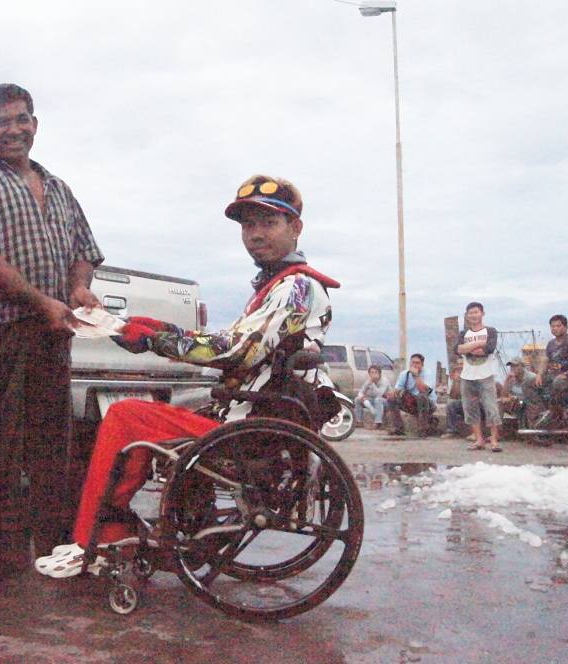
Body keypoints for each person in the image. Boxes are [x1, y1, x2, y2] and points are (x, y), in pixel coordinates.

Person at [33, 174, 339, 578]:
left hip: (254, 428)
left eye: (269, 223)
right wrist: (148, 328)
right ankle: (148, 526)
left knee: (128, 416)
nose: (256, 234)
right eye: (248, 225)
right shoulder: (278, 287)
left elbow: (236, 349)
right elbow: (238, 344)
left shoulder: (295, 287)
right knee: (154, 416)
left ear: (295, 227)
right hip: (257, 418)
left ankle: (98, 536)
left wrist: (155, 338)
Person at [0, 84, 105, 600]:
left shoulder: (58, 186)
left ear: (36, 124)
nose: (14, 129)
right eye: (1, 121)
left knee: (52, 452)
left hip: (52, 336)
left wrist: (78, 289)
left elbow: (84, 249)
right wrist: (40, 301)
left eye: (22, 119)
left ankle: (54, 554)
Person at [455, 302, 503, 452]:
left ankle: (494, 440)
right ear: (466, 316)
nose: (473, 315)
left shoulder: (491, 331)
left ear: (482, 313)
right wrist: (478, 344)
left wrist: (469, 348)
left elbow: (488, 349)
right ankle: (479, 439)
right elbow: (458, 349)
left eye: (476, 312)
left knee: (491, 407)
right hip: (467, 375)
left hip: (486, 374)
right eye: (470, 313)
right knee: (470, 408)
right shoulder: (463, 334)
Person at [526, 314, 568, 427]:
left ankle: (557, 411)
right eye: (553, 326)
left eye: (558, 326)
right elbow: (545, 360)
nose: (555, 328)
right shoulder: (551, 344)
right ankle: (542, 411)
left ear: (565, 327)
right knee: (529, 383)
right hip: (553, 376)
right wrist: (539, 375)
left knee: (558, 382)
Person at [386, 353, 438, 437]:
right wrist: (391, 394)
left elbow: (423, 391)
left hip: (428, 404)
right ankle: (398, 428)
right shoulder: (404, 374)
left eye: (417, 363)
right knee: (391, 399)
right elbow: (397, 390)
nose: (414, 365)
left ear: (422, 365)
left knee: (421, 397)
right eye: (412, 363)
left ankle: (423, 429)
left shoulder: (428, 374)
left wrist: (416, 376)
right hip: (411, 403)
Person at [354, 365, 389, 429]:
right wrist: (362, 398)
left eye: (375, 372)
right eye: (371, 372)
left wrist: (372, 384)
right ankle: (359, 421)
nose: (373, 374)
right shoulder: (368, 381)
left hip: (385, 401)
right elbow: (361, 392)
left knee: (378, 400)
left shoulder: (384, 381)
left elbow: (379, 394)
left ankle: (377, 422)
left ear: (379, 373)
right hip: (373, 400)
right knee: (357, 399)